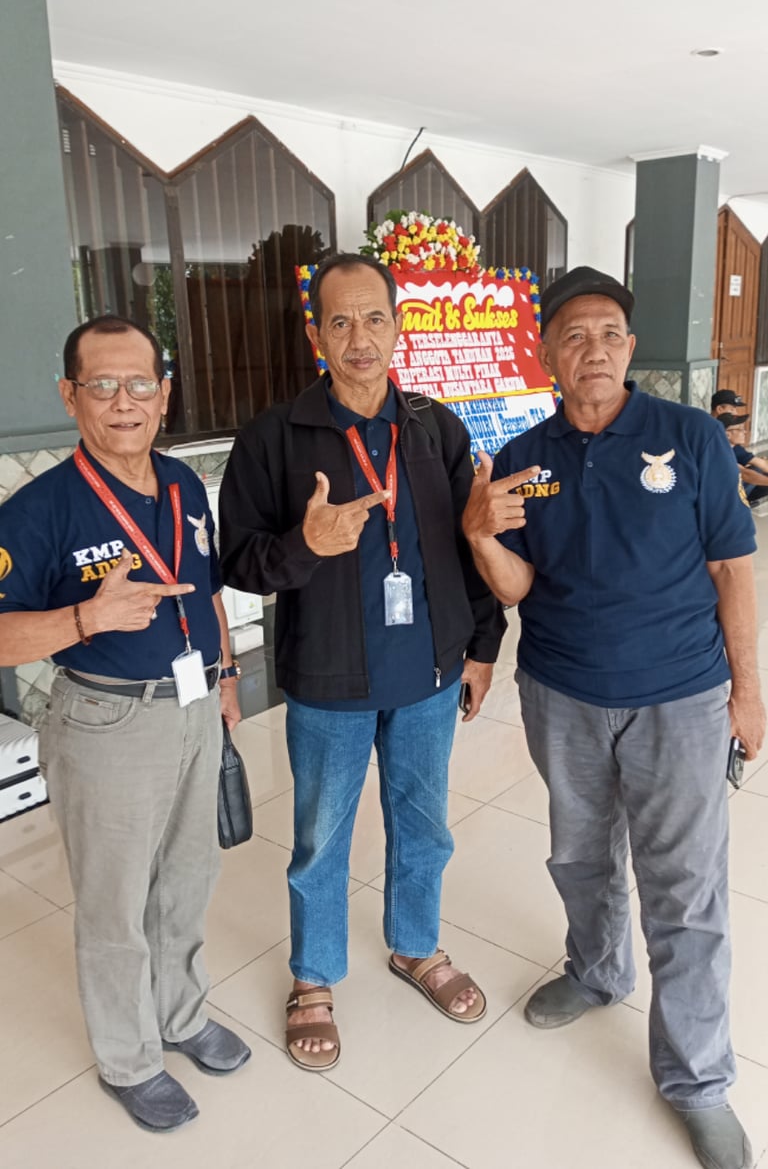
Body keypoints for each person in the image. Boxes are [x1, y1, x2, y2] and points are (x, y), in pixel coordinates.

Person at [462, 266, 765, 1169]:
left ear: (630, 348)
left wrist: (748, 690)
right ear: (546, 353)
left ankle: (698, 1080)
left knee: (686, 888)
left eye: (608, 334)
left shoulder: (692, 437)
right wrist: (480, 533)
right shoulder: (525, 455)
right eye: (574, 335)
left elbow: (732, 570)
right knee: (581, 855)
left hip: (680, 697)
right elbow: (515, 588)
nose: (592, 350)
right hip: (562, 694)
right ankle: (596, 972)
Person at [219, 252, 505, 1071]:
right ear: (316, 333)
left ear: (398, 325)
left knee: (424, 824)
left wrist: (482, 646)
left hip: (428, 674)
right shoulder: (275, 437)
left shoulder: (435, 429)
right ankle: (313, 976)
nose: (359, 338)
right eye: (340, 321)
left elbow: (472, 543)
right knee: (320, 838)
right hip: (327, 680)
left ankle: (415, 945)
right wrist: (304, 544)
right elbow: (237, 561)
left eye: (374, 318)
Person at [0, 316, 251, 1133]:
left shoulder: (182, 485)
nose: (123, 402)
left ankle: (180, 1015)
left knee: (187, 879)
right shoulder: (38, 511)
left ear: (164, 394)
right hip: (106, 719)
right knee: (114, 904)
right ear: (69, 395)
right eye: (101, 385)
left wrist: (225, 675)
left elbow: (205, 590)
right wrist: (85, 617)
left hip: (195, 706)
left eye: (139, 383)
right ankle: (130, 1058)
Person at [715, 412, 768, 507]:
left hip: (728, 489)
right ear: (727, 434)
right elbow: (745, 474)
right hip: (717, 497)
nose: (745, 432)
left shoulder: (735, 448)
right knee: (755, 473)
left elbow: (763, 464)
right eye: (740, 429)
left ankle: (745, 503)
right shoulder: (718, 451)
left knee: (760, 472)